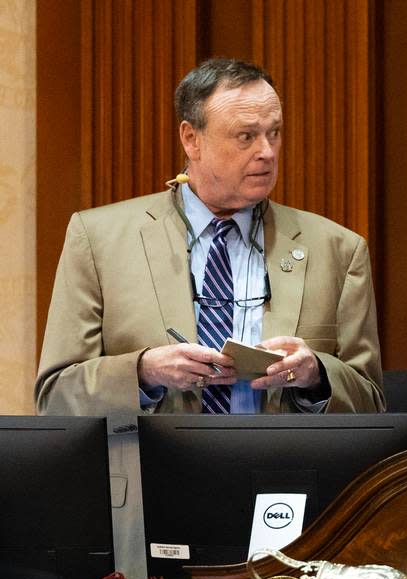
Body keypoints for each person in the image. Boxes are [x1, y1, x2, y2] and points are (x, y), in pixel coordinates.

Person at [36, 58, 385, 419]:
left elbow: (372, 403)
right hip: (155, 470)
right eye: (246, 136)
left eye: (275, 133)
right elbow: (55, 397)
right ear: (192, 139)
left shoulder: (338, 251)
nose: (266, 151)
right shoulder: (98, 240)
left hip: (280, 469)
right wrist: (142, 372)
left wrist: (317, 375)